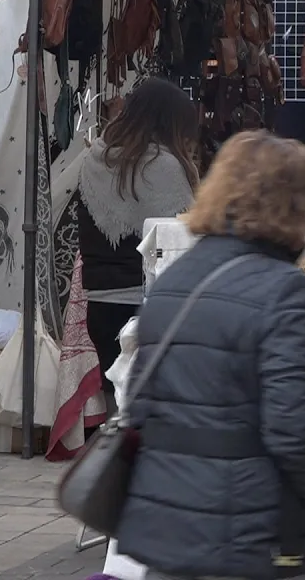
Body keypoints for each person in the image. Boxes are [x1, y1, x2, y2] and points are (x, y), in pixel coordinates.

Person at [115, 130, 305, 580]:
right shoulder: (285, 292)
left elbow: (140, 406)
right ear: (294, 207)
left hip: (167, 525)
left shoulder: (173, 282)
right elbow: (298, 428)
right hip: (249, 530)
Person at [77, 78, 198, 397]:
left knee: (118, 405)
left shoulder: (93, 158)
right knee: (151, 407)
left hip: (100, 306)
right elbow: (185, 236)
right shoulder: (165, 167)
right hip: (147, 307)